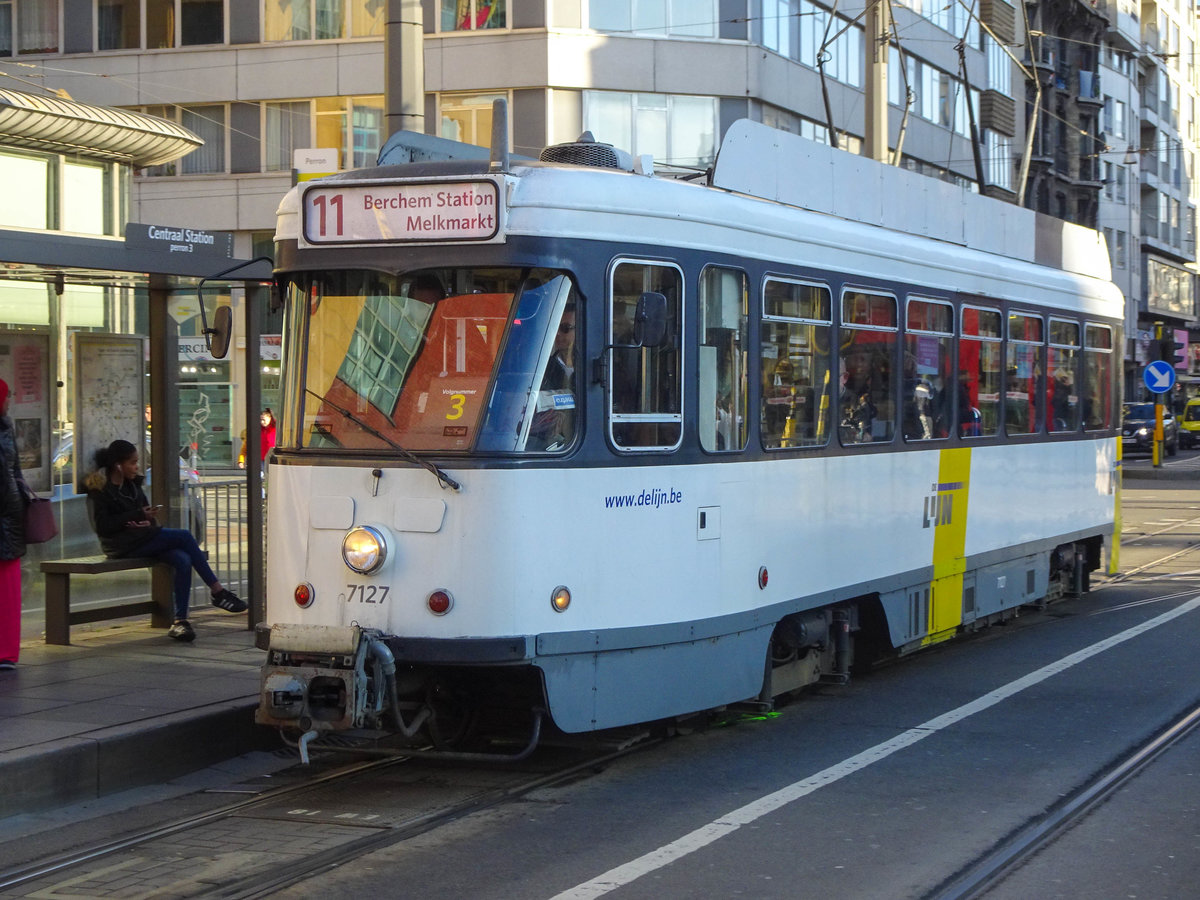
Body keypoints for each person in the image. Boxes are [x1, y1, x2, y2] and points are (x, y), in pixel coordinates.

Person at [85, 439, 246, 642]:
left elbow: (144, 514)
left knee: (182, 559)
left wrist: (146, 521)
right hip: (120, 545)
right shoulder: (101, 489)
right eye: (132, 463)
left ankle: (180, 621)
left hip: (141, 538)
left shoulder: (132, 485)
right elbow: (102, 526)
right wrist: (136, 516)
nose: (137, 467)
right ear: (118, 465)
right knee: (184, 536)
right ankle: (218, 591)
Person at [0, 379, 25, 670]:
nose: (9, 402)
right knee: (7, 588)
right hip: (10, 514)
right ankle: (6, 651)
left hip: (8, 517)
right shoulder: (6, 429)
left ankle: (6, 651)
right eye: (7, 396)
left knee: (8, 587)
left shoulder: (6, 428)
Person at [529, 306, 577, 450]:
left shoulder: (596, 368)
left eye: (565, 328)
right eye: (554, 327)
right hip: (550, 446)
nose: (557, 333)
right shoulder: (540, 369)